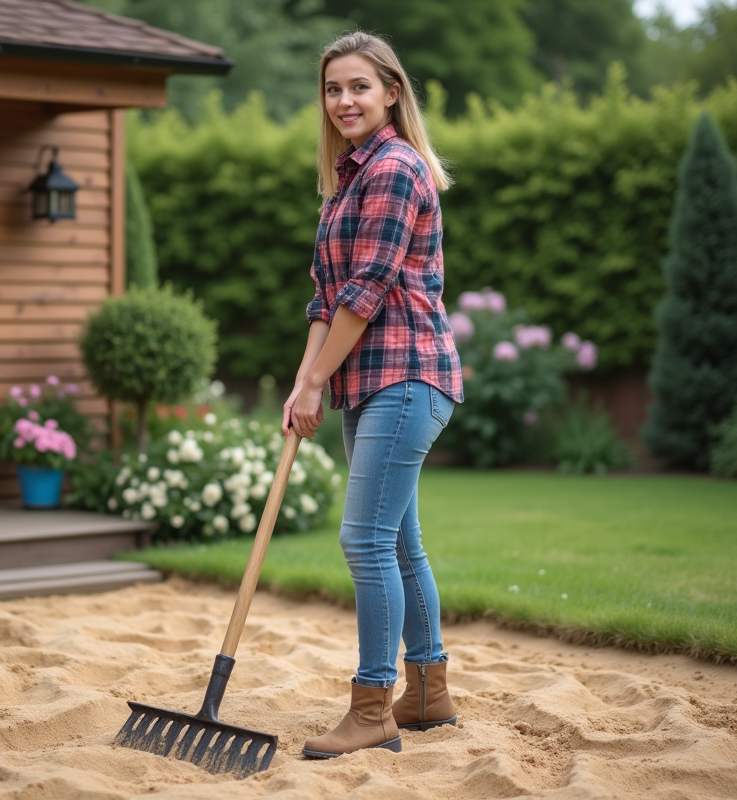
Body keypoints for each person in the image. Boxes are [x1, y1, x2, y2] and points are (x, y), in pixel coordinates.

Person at [282, 31, 465, 759]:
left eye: (359, 86)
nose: (344, 100)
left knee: (363, 541)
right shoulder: (346, 179)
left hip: (407, 373)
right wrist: (305, 381)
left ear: (392, 92)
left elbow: (368, 292)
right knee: (399, 543)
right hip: (372, 378)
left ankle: (372, 706)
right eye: (333, 88)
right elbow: (326, 298)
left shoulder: (394, 169)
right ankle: (427, 694)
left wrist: (320, 378)